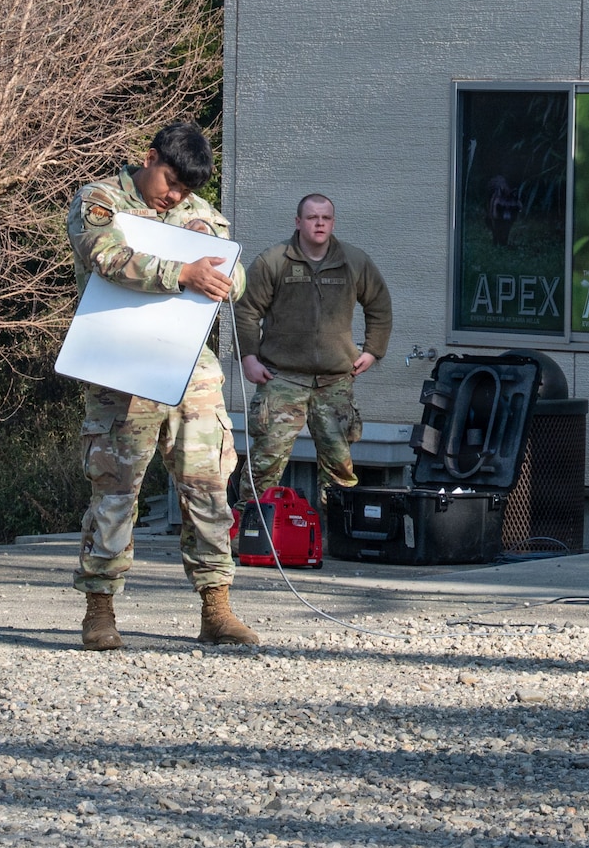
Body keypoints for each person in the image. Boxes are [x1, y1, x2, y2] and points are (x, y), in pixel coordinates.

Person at [64, 123, 256, 651]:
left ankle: (216, 608)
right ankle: (99, 611)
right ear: (149, 159)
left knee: (209, 487)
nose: (174, 196)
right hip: (122, 372)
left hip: (192, 370)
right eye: (170, 183)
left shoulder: (198, 215)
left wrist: (222, 279)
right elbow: (105, 258)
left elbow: (236, 276)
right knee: (115, 493)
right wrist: (184, 272)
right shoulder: (100, 200)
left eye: (185, 191)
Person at [235, 193, 393, 502]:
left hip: (334, 381)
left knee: (339, 469)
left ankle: (335, 539)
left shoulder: (354, 261)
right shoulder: (274, 260)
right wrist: (248, 357)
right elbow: (246, 310)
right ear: (298, 222)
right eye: (312, 217)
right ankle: (251, 534)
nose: (319, 223)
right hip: (281, 379)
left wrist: (373, 350)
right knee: (264, 464)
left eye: (325, 218)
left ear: (333, 222)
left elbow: (380, 306)